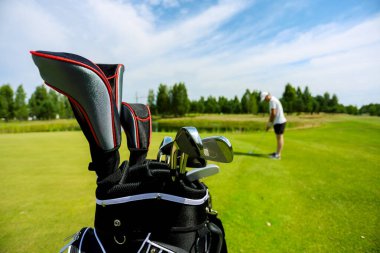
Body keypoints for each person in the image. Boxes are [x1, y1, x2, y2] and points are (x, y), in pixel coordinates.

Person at [260, 91, 287, 159]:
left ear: (267, 96)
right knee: (279, 138)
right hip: (279, 121)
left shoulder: (272, 101)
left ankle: (278, 155)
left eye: (265, 98)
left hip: (279, 122)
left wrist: (269, 124)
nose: (265, 100)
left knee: (279, 138)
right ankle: (277, 152)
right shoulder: (273, 99)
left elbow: (273, 114)